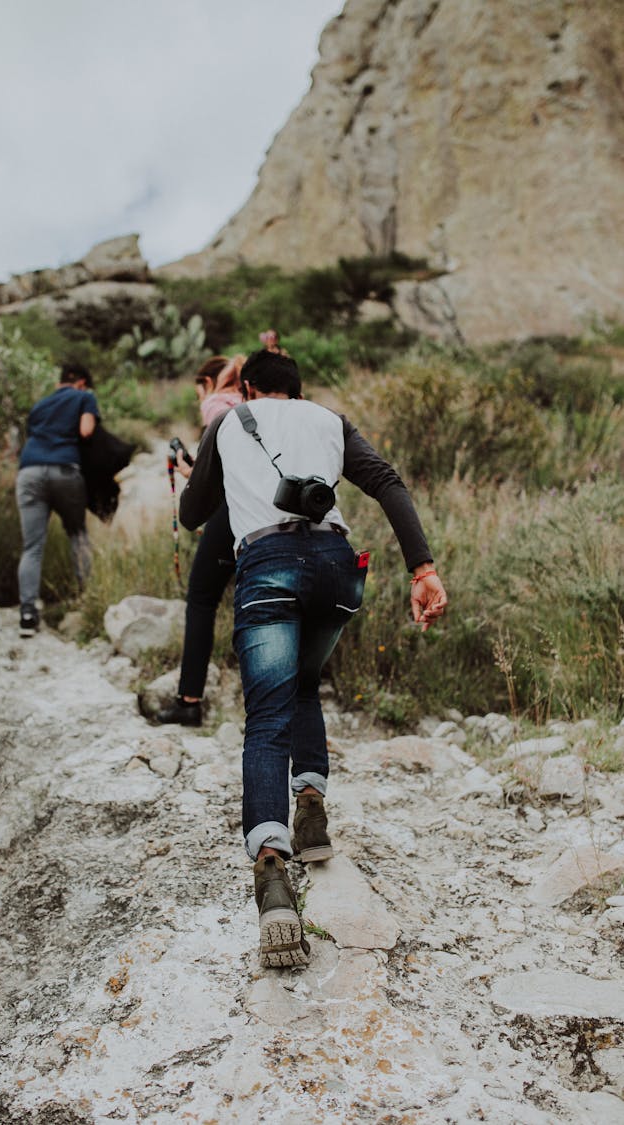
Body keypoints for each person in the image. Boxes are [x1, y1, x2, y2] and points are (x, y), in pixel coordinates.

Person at [179, 349, 447, 967]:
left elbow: (194, 515)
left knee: (268, 715)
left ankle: (273, 876)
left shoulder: (228, 422)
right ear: (299, 390)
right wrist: (423, 569)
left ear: (246, 387)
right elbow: (387, 483)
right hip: (338, 570)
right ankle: (312, 813)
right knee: (303, 684)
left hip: (269, 567)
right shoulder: (330, 419)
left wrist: (211, 472)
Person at [154, 355, 244, 725]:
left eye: (198, 392)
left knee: (202, 599)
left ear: (209, 383)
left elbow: (220, 481)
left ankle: (189, 700)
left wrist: (185, 467)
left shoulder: (218, 405)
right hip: (274, 515)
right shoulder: (264, 405)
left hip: (233, 512)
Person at [15, 362, 99, 637]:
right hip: (64, 469)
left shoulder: (39, 405)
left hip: (29, 472)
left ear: (59, 382)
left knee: (32, 546)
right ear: (82, 383)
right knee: (78, 534)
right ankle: (88, 600)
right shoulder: (84, 397)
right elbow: (87, 430)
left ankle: (27, 613)